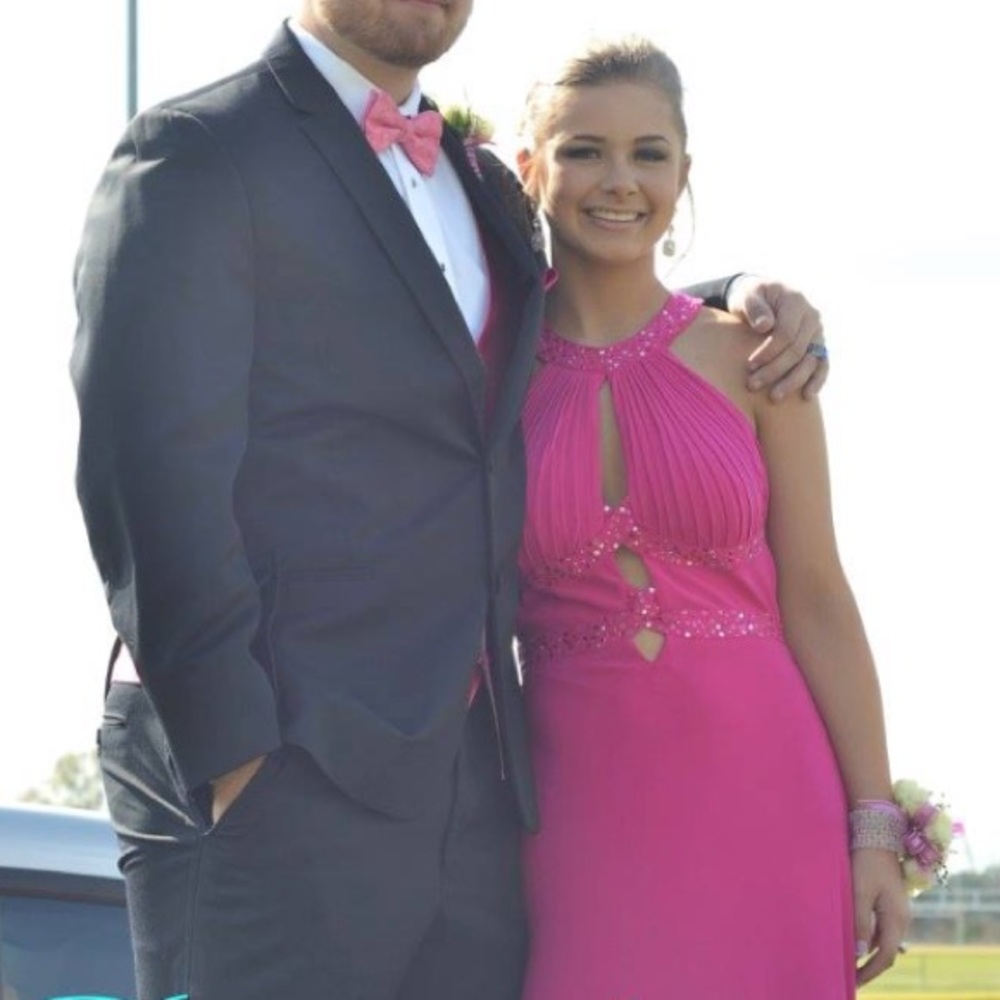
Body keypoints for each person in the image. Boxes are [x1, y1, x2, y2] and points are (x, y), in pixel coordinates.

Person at [70, 2, 827, 998]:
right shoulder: (200, 154)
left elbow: (592, 307)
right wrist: (236, 762)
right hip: (276, 771)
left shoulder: (479, 186)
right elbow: (147, 473)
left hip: (472, 785)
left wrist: (750, 296)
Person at [513, 36, 910, 1000]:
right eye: (582, 150)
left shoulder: (758, 361)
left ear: (685, 175)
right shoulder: (488, 377)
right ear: (530, 168)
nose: (619, 181)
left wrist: (874, 829)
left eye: (650, 153)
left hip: (767, 786)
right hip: (576, 810)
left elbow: (818, 594)